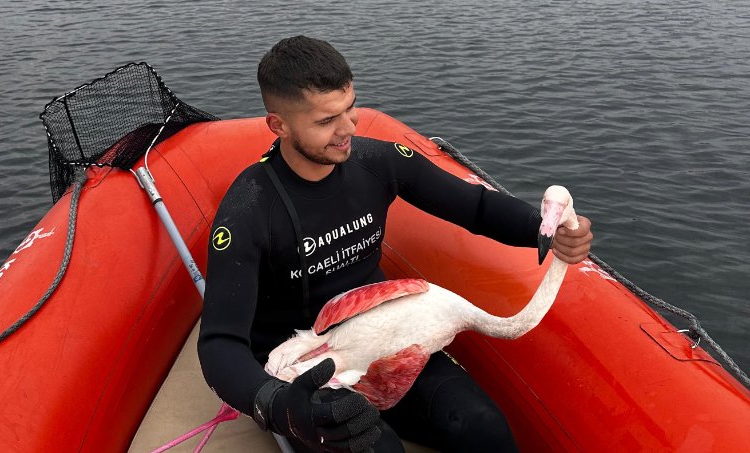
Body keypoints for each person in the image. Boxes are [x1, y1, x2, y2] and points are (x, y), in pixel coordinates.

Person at [198, 36, 594, 452]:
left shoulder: (376, 162)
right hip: (306, 366)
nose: (348, 128)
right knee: (380, 449)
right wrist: (278, 404)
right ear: (279, 125)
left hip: (384, 339)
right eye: (326, 120)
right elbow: (220, 343)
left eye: (351, 108)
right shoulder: (249, 209)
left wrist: (546, 230)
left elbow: (474, 207)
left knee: (484, 428)